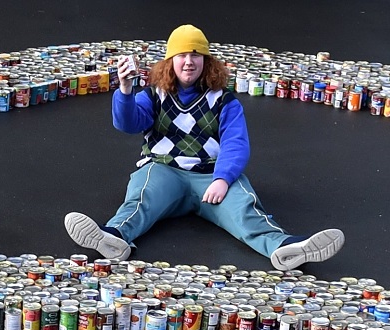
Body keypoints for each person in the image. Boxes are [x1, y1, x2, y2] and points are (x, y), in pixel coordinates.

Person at [64, 24, 344, 271]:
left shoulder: (224, 101)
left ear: (206, 62)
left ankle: (284, 247)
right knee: (143, 197)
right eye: (182, 56)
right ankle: (114, 236)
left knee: (243, 208)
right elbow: (128, 123)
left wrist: (223, 179)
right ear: (170, 62)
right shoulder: (153, 95)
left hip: (211, 176)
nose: (188, 62)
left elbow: (235, 143)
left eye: (195, 55)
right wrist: (125, 89)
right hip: (165, 170)